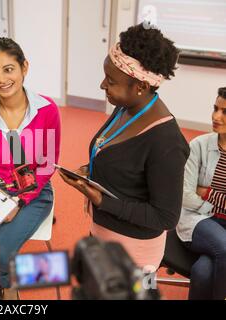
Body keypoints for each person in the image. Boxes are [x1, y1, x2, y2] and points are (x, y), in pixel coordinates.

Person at [59, 23, 189, 272]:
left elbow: (165, 217)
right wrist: (90, 170)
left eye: (110, 80)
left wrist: (100, 199)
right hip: (105, 235)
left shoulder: (166, 142)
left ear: (140, 86)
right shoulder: (126, 108)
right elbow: (122, 160)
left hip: (136, 254)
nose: (102, 85)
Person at [0, 37, 61, 299]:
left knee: (2, 252)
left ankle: (2, 290)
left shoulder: (46, 110)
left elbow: (47, 164)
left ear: (24, 68)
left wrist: (18, 202)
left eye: (9, 69)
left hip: (32, 192)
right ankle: (3, 288)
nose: (1, 79)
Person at [176, 87, 226, 300]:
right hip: (199, 219)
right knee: (224, 247)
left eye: (225, 112)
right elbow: (185, 194)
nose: (216, 116)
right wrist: (210, 206)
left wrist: (205, 192)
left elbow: (196, 191)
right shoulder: (199, 145)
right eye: (215, 108)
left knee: (202, 272)